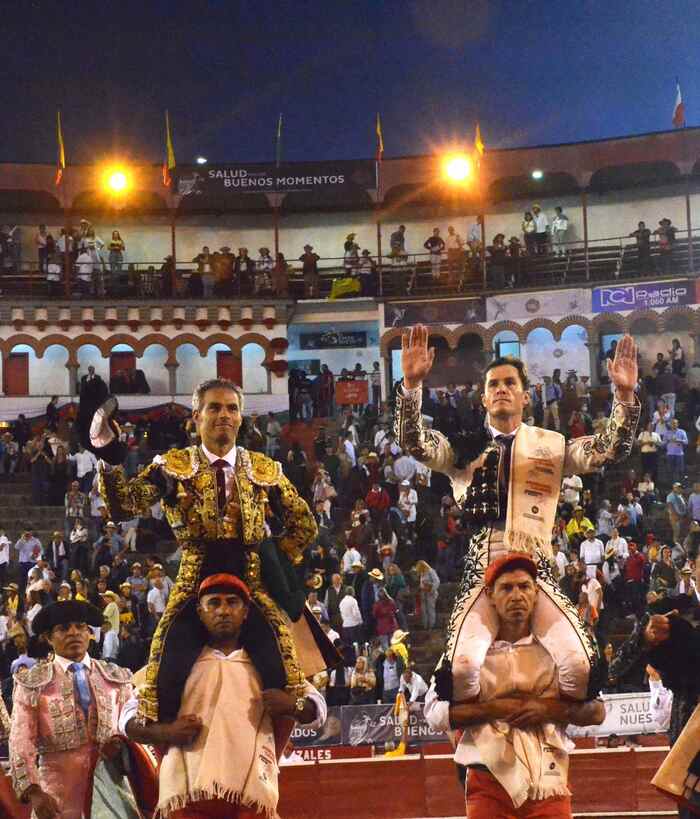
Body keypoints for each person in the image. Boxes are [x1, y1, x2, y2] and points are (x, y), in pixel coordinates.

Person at [396, 325, 640, 711]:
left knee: (580, 666)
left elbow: (609, 449)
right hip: (482, 570)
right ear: (483, 398)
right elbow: (415, 443)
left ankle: (542, 715)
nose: (501, 389)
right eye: (493, 384)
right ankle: (490, 721)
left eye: (510, 383)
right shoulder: (462, 446)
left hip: (536, 569)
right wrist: (411, 387)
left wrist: (624, 395)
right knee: (461, 669)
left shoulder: (551, 445)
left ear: (526, 396)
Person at [92, 376, 336, 724]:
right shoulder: (173, 466)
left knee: (285, 671)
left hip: (251, 580)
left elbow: (304, 525)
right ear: (196, 416)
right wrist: (108, 454)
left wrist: (272, 557)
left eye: (232, 409)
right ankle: (165, 736)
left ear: (240, 417)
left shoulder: (263, 469)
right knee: (165, 669)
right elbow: (123, 506)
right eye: (215, 407)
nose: (224, 415)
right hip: (194, 582)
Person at [124, 573, 326, 818]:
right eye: (214, 603)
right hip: (186, 797)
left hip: (252, 797)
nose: (223, 611)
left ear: (246, 611)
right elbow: (127, 720)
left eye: (232, 602)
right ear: (200, 611)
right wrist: (167, 732)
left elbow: (318, 710)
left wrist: (293, 704)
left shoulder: (270, 664)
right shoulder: (171, 665)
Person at [424, 553, 605, 819]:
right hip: (488, 777)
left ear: (536, 593)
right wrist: (494, 709)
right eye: (506, 588)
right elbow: (434, 715)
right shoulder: (465, 652)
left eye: (524, 586)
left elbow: (598, 711)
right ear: (491, 596)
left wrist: (547, 709)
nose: (517, 596)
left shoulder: (560, 651)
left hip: (548, 778)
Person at [9, 600, 137, 819]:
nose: (73, 633)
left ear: (89, 633)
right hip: (57, 794)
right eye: (63, 628)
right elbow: (21, 740)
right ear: (48, 638)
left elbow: (132, 726)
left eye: (80, 627)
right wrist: (34, 791)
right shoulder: (32, 683)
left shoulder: (116, 677)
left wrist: (123, 746)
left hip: (111, 785)